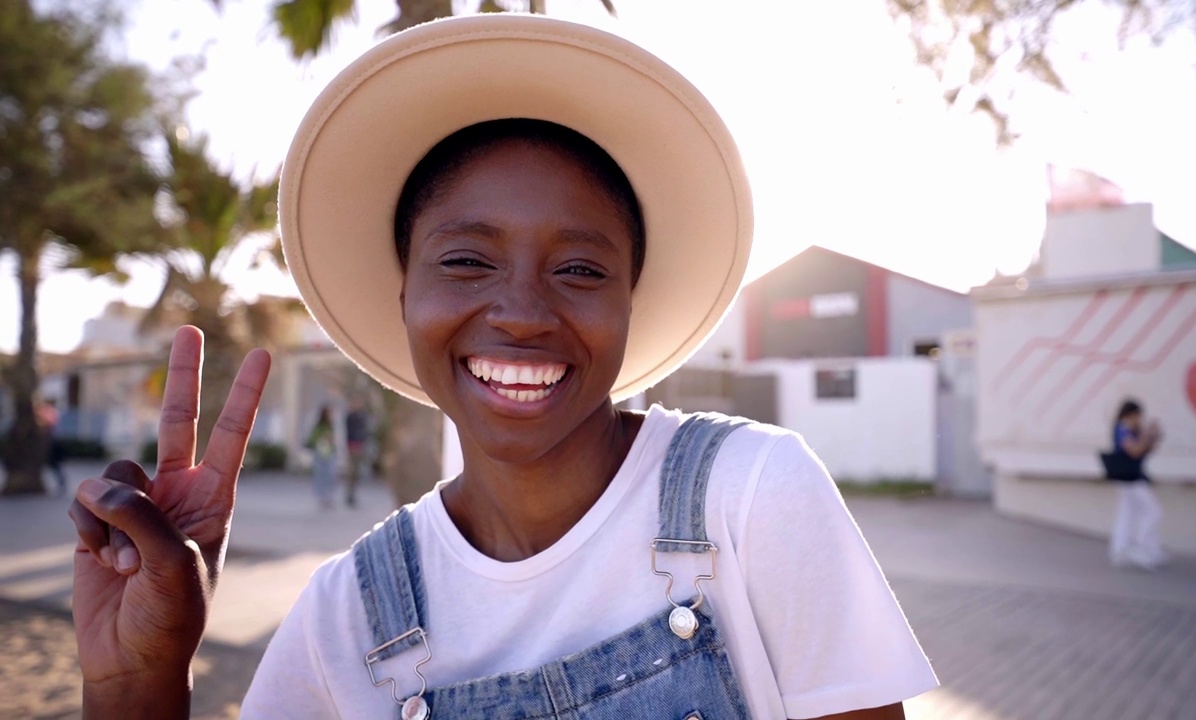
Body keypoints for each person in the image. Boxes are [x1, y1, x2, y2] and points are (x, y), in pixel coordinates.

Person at [66, 14, 936, 719]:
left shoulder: (751, 498)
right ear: (402, 293)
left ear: (632, 299)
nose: (521, 313)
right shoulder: (347, 614)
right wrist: (136, 684)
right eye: (467, 261)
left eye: (581, 269)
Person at [1103, 399, 1167, 569]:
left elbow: (1145, 451)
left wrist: (1152, 437)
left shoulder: (1131, 430)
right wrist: (1147, 436)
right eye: (1138, 416)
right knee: (1153, 511)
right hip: (1130, 478)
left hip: (1131, 477)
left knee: (1127, 514)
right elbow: (1134, 451)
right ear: (1131, 414)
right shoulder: (1122, 429)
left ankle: (1121, 548)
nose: (1139, 420)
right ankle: (1141, 546)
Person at [306, 405, 338, 509]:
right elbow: (313, 438)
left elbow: (333, 441)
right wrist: (323, 438)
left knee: (330, 475)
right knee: (320, 476)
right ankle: (321, 496)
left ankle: (328, 497)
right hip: (319, 454)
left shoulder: (331, 426)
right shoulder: (319, 427)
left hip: (329, 454)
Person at [343, 399, 372, 507]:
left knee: (356, 472)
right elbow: (349, 432)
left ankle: (352, 493)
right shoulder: (351, 417)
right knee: (352, 470)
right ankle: (349, 493)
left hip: (359, 445)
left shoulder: (362, 417)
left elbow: (364, 431)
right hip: (352, 445)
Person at [37, 398, 67, 495]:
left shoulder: (49, 412)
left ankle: (61, 484)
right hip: (47, 443)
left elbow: (49, 422)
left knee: (55, 466)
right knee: (53, 467)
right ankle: (60, 483)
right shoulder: (50, 412)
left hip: (50, 445)